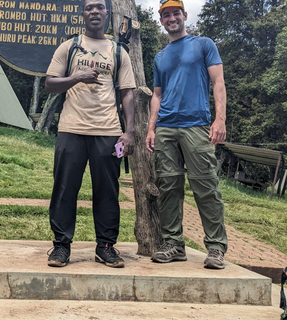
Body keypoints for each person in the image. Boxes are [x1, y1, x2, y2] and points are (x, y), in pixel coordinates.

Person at [45, 0, 136, 268]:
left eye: (99, 7)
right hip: (71, 129)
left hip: (108, 131)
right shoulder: (69, 46)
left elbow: (127, 93)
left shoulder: (119, 51)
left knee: (107, 192)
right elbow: (50, 84)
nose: (94, 11)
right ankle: (61, 247)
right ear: (83, 14)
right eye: (89, 8)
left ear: (107, 14)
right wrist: (77, 77)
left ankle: (106, 247)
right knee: (64, 189)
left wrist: (129, 131)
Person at [145, 0, 228, 269]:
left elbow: (218, 82)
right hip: (166, 127)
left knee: (205, 186)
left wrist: (220, 119)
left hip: (197, 125)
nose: (171, 18)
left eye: (175, 13)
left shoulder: (204, 44)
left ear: (184, 15)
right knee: (168, 187)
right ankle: (174, 244)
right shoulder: (160, 57)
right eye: (166, 15)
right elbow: (157, 95)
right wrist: (151, 128)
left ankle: (216, 248)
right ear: (161, 20)